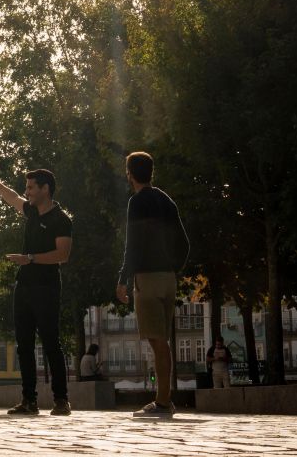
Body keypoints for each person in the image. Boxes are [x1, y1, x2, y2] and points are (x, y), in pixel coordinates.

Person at [0, 169, 72, 416]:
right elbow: (11, 197)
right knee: (24, 346)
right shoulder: (31, 212)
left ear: (45, 189)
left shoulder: (62, 219)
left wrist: (29, 258)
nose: (27, 192)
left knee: (52, 343)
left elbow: (62, 255)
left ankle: (61, 400)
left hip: (47, 288)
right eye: (27, 187)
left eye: (31, 187)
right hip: (24, 287)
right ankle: (29, 401)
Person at [116, 151, 189, 418]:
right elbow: (184, 243)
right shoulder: (167, 201)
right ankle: (164, 399)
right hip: (168, 278)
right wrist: (174, 269)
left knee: (157, 342)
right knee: (163, 341)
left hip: (146, 278)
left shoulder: (136, 202)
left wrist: (123, 278)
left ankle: (162, 402)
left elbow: (132, 245)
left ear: (130, 174)